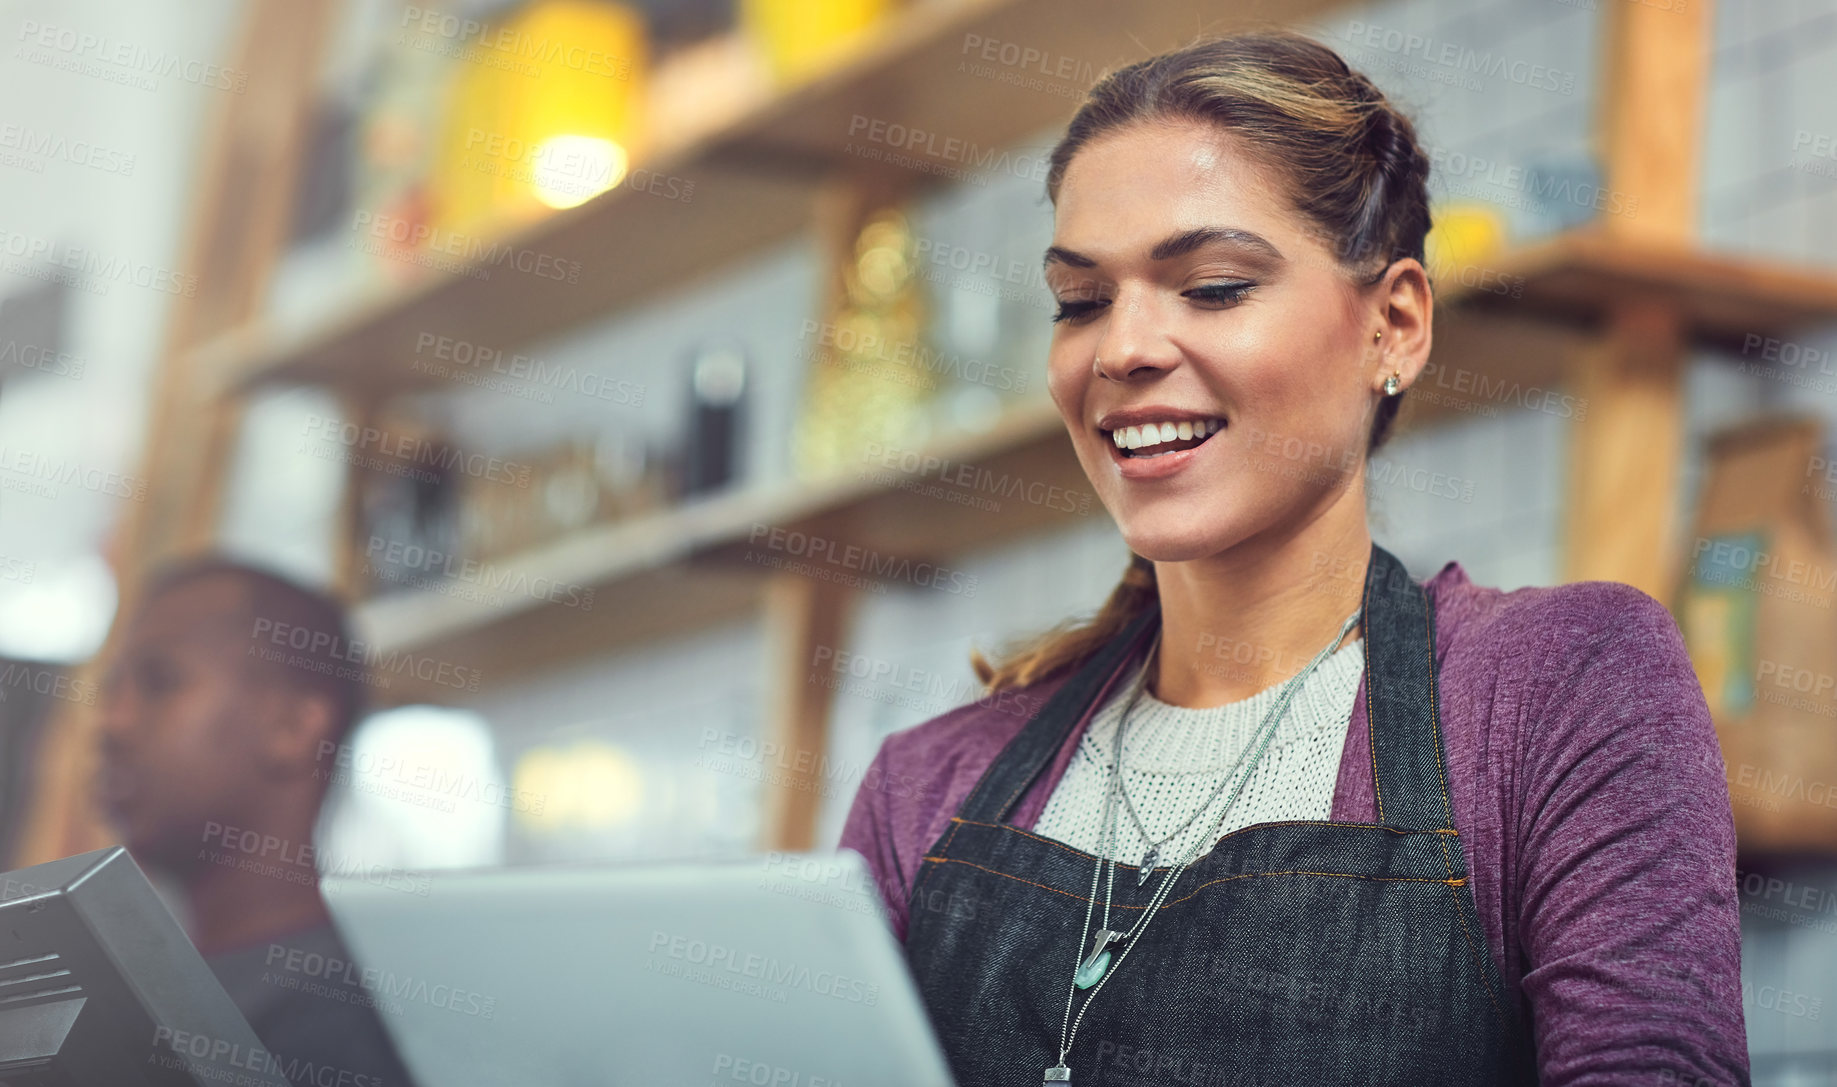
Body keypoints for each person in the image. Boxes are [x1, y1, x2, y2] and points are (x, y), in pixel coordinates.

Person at [838, 29, 1748, 1087]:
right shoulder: (923, 787)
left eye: (1214, 285)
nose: (1122, 347)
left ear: (1394, 325)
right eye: (1080, 300)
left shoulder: (1561, 680)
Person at [97, 557, 417, 1087]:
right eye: (113, 689)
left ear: (292, 727)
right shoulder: (141, 988)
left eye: (159, 681)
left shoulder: (349, 1023)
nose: (111, 722)